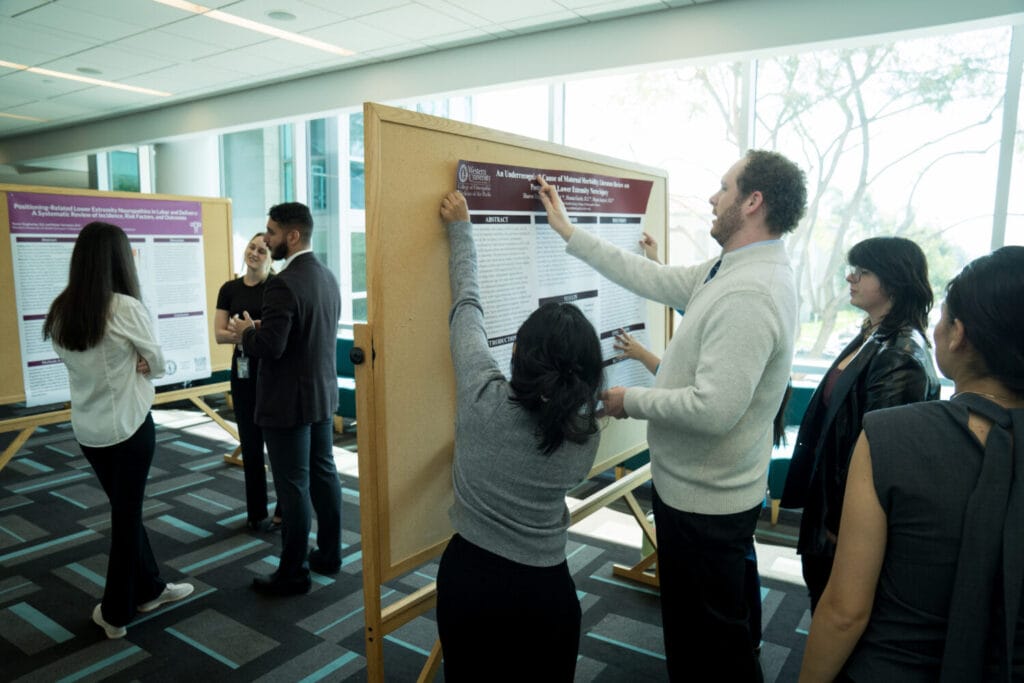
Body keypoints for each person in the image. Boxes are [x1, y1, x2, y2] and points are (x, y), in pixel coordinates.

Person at [536, 148, 806, 682]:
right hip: (701, 492)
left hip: (706, 505)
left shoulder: (751, 290)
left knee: (709, 648)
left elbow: (714, 409)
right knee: (708, 635)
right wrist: (570, 233)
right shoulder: (732, 269)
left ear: (752, 202)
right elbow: (651, 279)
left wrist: (627, 401)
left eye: (724, 187)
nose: (712, 197)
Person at [799, 246, 1024, 682]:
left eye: (944, 318)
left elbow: (846, 612)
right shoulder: (871, 336)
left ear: (958, 334)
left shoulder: (892, 435)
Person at [436, 190, 604, 681]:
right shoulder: (584, 433)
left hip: (469, 582)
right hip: (546, 594)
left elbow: (467, 306)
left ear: (519, 356)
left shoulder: (481, 398)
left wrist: (461, 229)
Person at [44, 221, 194, 639]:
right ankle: (115, 613)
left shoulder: (61, 310)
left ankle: (151, 589)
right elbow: (159, 363)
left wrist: (133, 362)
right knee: (126, 518)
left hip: (88, 431)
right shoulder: (124, 307)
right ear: (119, 260)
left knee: (125, 511)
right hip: (129, 429)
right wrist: (142, 364)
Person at [780, 237, 940, 612]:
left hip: (848, 519)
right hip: (832, 505)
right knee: (823, 604)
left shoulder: (900, 353)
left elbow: (882, 456)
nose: (850, 278)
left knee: (837, 614)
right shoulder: (874, 333)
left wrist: (842, 521)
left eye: (863, 272)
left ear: (894, 282)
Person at [225, 202, 342, 596]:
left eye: (271, 232)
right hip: (320, 395)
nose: (266, 239)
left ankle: (293, 573)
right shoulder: (326, 276)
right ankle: (328, 553)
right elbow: (306, 334)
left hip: (287, 403)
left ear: (292, 236)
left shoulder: (283, 282)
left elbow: (271, 348)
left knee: (293, 486)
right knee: (323, 475)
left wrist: (245, 333)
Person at [214, 233, 281, 532]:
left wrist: (244, 328)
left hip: (272, 372)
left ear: (270, 256)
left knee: (278, 445)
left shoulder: (276, 288)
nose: (254, 253)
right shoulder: (229, 288)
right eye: (252, 247)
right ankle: (256, 512)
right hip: (241, 371)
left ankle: (284, 509)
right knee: (250, 444)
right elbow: (219, 334)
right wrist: (253, 329)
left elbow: (280, 329)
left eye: (262, 250)